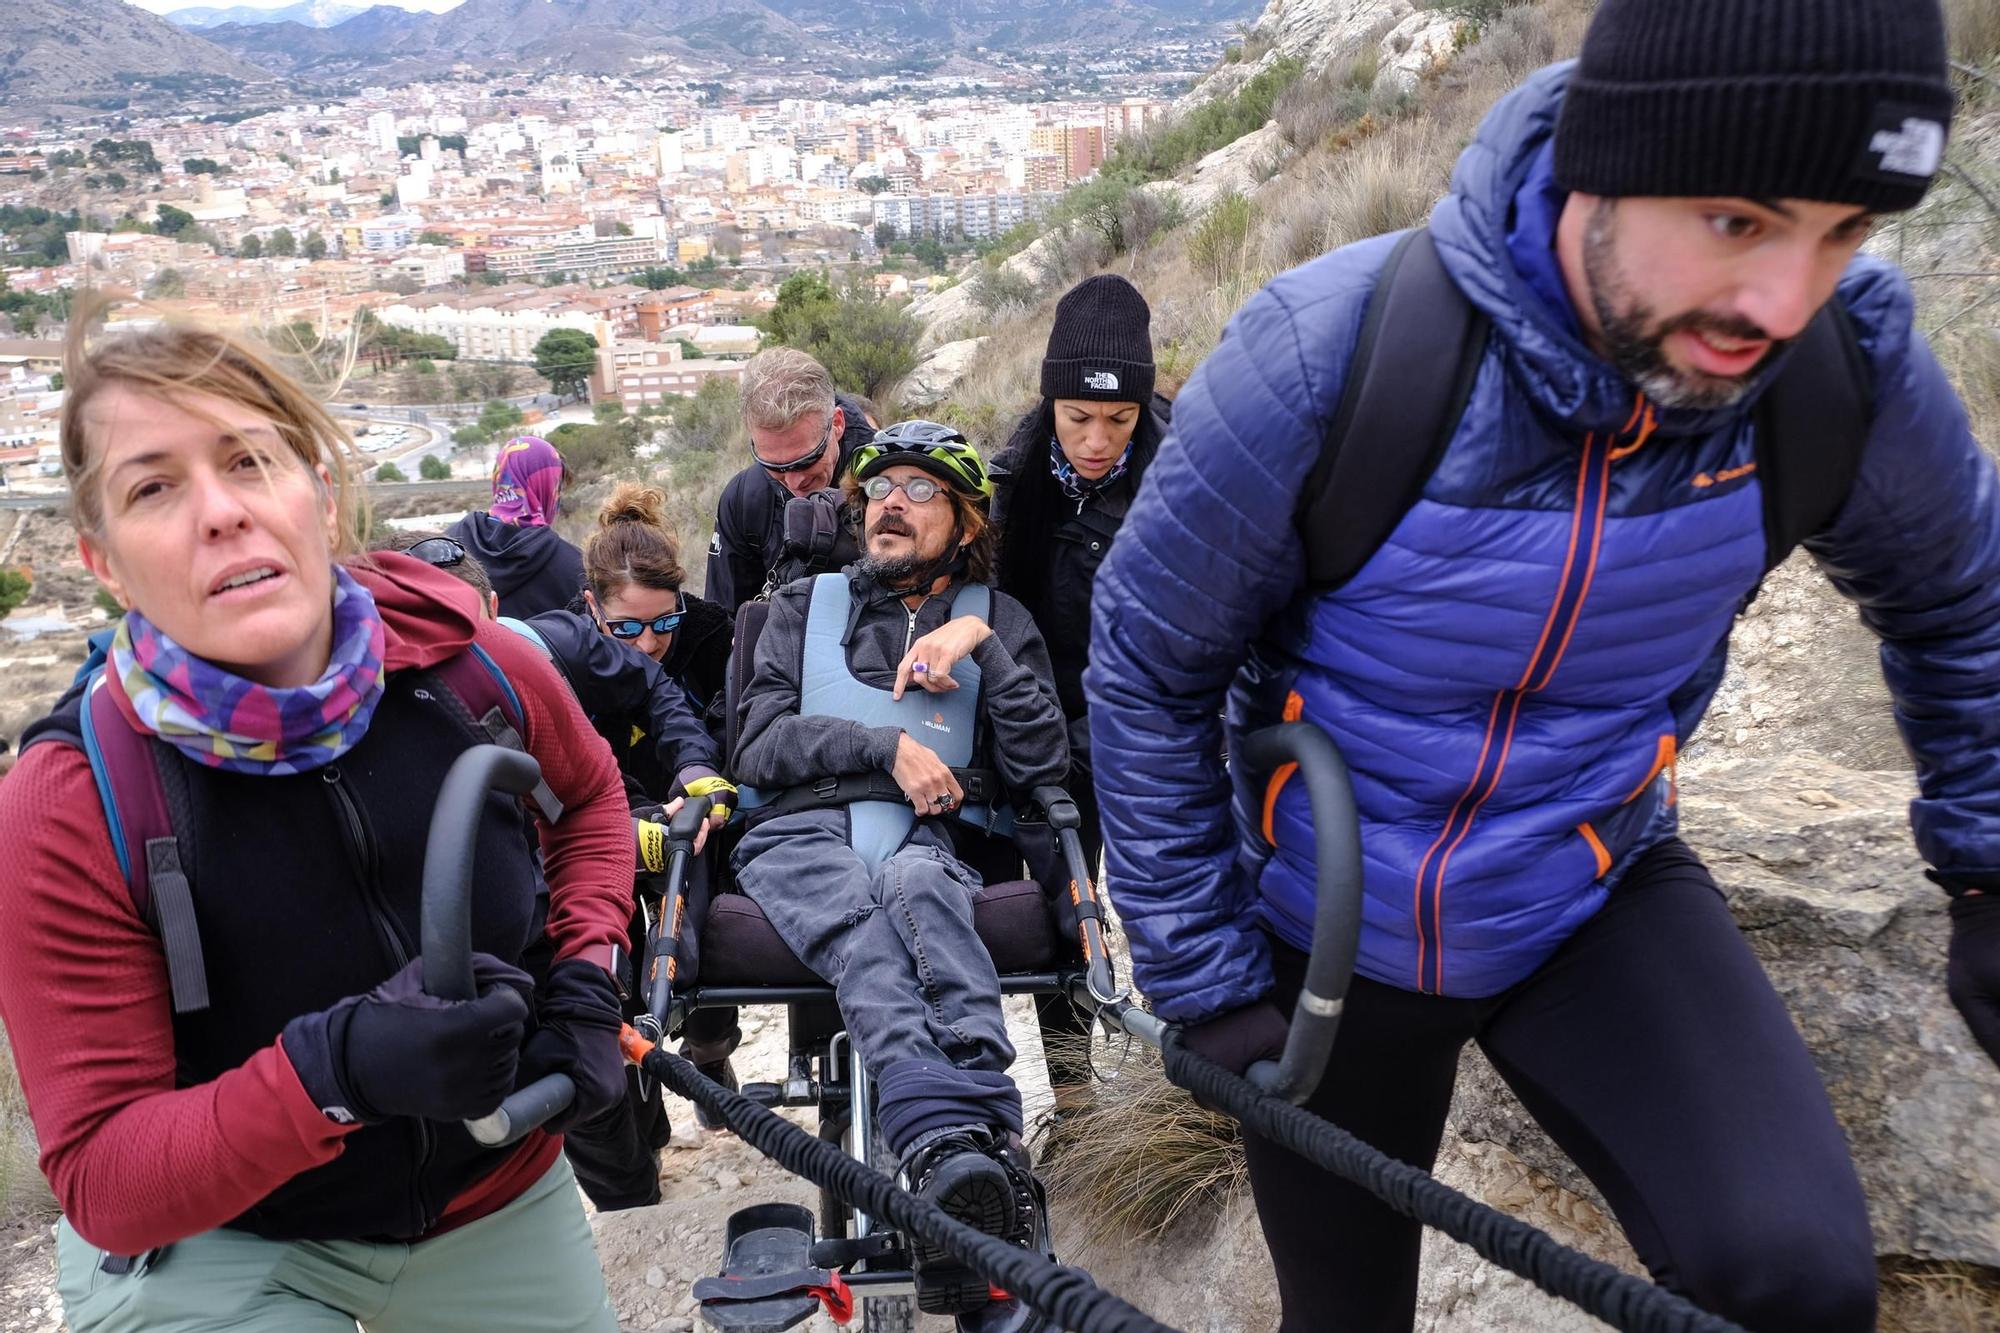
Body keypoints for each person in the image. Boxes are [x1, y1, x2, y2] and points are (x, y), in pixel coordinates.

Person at [1087, 3, 1996, 1331]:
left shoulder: (1839, 366)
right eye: (1739, 221)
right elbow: (1148, 664)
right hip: (1334, 917)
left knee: (1796, 1287)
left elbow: (1959, 598)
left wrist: (1984, 861)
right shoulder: (1329, 352)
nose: (1785, 301)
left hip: (1591, 882)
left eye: (1845, 230)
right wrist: (1206, 976)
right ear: (1603, 164)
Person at [0, 308, 635, 1331]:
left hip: (489, 1201)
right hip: (228, 1240)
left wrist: (587, 971)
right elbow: (106, 1176)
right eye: (154, 486)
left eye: (251, 460)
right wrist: (329, 1071)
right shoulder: (75, 798)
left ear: (322, 495)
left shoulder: (470, 668)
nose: (220, 512)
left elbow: (594, 798)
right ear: (105, 560)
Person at [731, 422, 1066, 1329]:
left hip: (935, 844)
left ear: (962, 524)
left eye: (921, 491)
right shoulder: (802, 608)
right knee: (866, 918)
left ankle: (969, 1167)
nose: (891, 502)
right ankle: (959, 1157)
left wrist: (982, 646)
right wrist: (889, 746)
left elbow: (1044, 764)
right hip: (803, 833)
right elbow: (756, 743)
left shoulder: (997, 621)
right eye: (880, 488)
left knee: (920, 894)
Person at [704, 347, 877, 617]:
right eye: (775, 466)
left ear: (837, 424)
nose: (794, 482)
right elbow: (727, 619)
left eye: (806, 460)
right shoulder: (744, 500)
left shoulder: (890, 485)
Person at [447, 434, 586, 617]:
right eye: (557, 487)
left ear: (500, 478)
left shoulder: (449, 544)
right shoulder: (576, 567)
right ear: (546, 487)